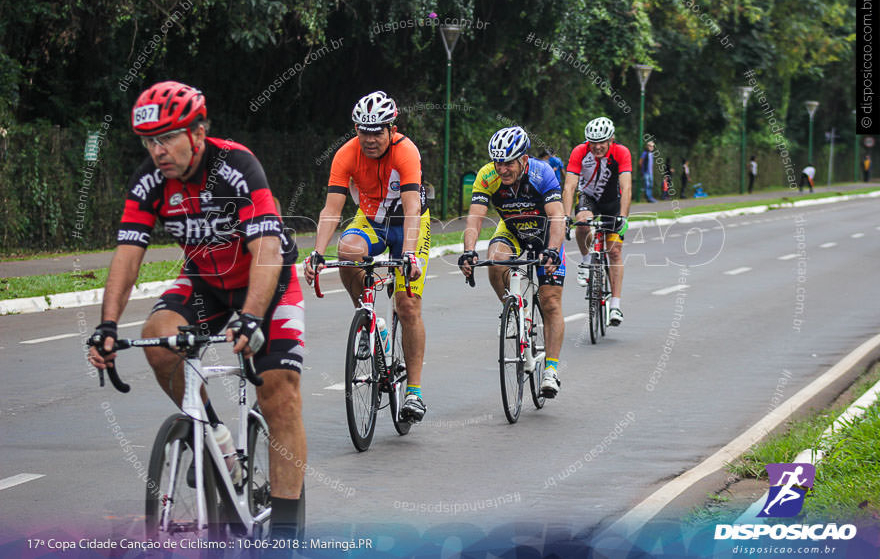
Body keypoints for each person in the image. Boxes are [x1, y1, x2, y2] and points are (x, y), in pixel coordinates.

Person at [88, 81, 306, 540]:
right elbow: (128, 256)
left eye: (167, 138)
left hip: (266, 277)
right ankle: (219, 443)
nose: (157, 150)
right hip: (206, 280)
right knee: (159, 338)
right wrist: (107, 325)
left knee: (279, 393)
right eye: (149, 141)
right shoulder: (149, 180)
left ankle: (287, 539)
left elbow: (266, 246)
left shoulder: (237, 167)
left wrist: (251, 316)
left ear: (199, 133)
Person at [304, 91, 430, 422]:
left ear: (392, 128)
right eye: (363, 130)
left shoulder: (406, 152)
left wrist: (409, 256)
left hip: (407, 225)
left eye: (377, 131)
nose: (370, 139)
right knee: (347, 252)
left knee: (406, 303)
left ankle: (414, 393)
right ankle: (370, 319)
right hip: (371, 221)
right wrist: (317, 253)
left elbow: (412, 206)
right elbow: (332, 210)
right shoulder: (346, 154)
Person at [458, 127, 566, 397]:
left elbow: (557, 217)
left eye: (508, 162)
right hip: (513, 231)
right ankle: (511, 309)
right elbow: (475, 218)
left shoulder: (543, 173)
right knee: (495, 259)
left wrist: (553, 250)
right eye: (498, 162)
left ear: (524, 159)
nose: (502, 169)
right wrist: (469, 250)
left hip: (544, 235)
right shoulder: (487, 176)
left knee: (550, 300)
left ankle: (551, 370)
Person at [562, 116, 631, 326]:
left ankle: (616, 306)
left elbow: (626, 187)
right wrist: (566, 217)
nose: (597, 147)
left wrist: (623, 217)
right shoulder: (579, 152)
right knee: (582, 223)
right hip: (588, 197)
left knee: (615, 251)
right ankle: (586, 262)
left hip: (612, 201)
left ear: (611, 139)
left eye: (602, 142)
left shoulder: (621, 152)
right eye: (593, 142)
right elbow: (569, 187)